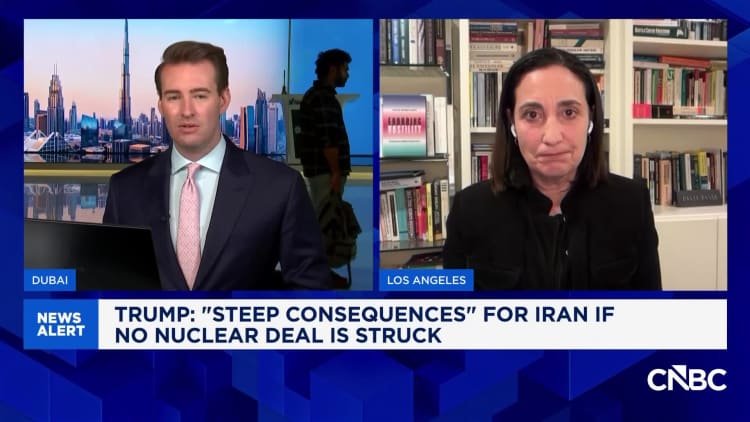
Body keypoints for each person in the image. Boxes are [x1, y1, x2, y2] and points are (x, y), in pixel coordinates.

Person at [103, 41, 331, 290]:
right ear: (161, 106)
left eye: (200, 96)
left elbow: (311, 291)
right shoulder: (124, 188)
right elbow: (108, 284)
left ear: (223, 100)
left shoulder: (280, 187)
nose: (187, 111)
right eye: (174, 97)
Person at [443, 48, 661, 290]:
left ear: (591, 117)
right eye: (532, 114)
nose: (552, 137)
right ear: (511, 122)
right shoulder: (469, 209)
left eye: (569, 112)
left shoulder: (632, 203)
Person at [299, 48, 353, 287]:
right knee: (324, 225)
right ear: (333, 69)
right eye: (345, 69)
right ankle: (319, 277)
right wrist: (336, 172)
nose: (347, 74)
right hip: (325, 173)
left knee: (322, 223)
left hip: (320, 171)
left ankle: (320, 275)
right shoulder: (322, 98)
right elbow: (328, 140)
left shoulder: (317, 95)